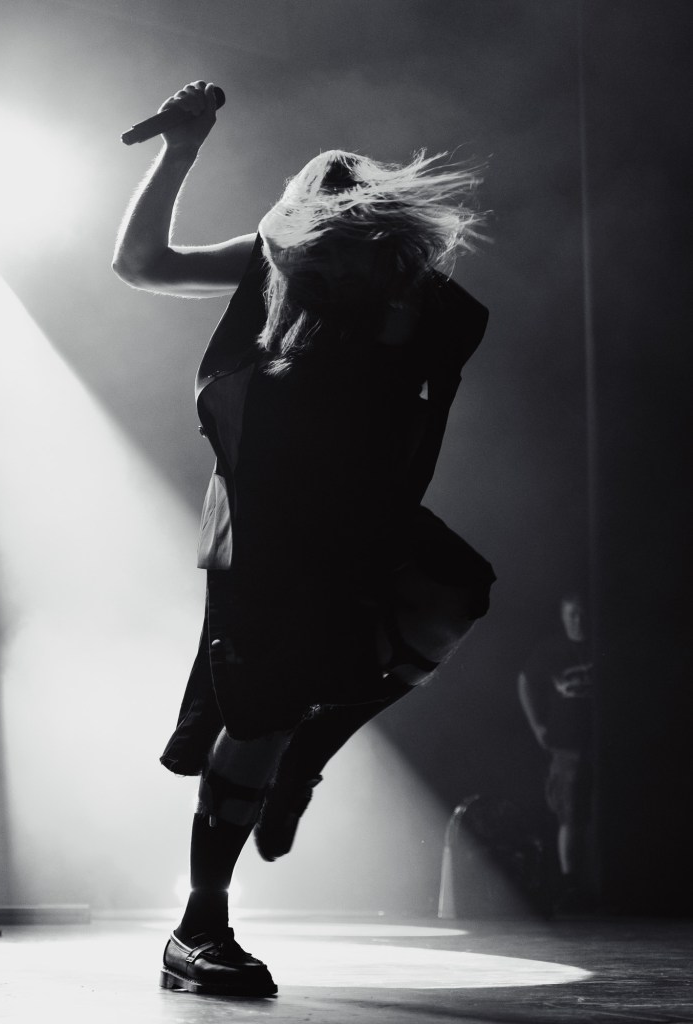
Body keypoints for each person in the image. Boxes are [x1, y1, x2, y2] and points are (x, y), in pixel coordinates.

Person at [113, 80, 495, 997]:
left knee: (453, 592)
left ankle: (310, 755)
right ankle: (199, 927)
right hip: (267, 526)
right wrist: (179, 152)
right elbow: (142, 264)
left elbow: (420, 384)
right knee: (258, 719)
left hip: (359, 515)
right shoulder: (271, 263)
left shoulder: (417, 297)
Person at [517, 591, 594, 911]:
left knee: (593, 814)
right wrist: (537, 726)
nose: (577, 620)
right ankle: (571, 884)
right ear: (563, 616)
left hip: (601, 744)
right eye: (571, 614)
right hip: (566, 744)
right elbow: (524, 681)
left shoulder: (601, 646)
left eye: (582, 614)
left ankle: (596, 884)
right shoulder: (551, 649)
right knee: (570, 813)